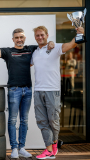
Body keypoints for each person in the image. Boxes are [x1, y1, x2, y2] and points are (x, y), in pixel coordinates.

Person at [0, 25, 54, 159]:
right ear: (13, 39)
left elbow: (44, 44)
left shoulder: (31, 49)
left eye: (21, 37)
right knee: (13, 120)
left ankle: (21, 148)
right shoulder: (8, 52)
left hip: (28, 89)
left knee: (24, 120)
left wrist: (51, 43)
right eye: (16, 38)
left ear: (24, 38)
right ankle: (14, 148)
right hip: (14, 90)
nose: (19, 39)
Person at [31, 26, 84, 159]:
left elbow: (72, 44)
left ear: (47, 35)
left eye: (42, 35)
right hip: (37, 90)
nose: (40, 37)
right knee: (41, 121)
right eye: (37, 35)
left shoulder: (55, 47)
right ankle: (50, 148)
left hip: (52, 90)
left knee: (53, 120)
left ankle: (53, 144)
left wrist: (80, 34)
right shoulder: (34, 52)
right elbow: (24, 63)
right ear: (35, 37)